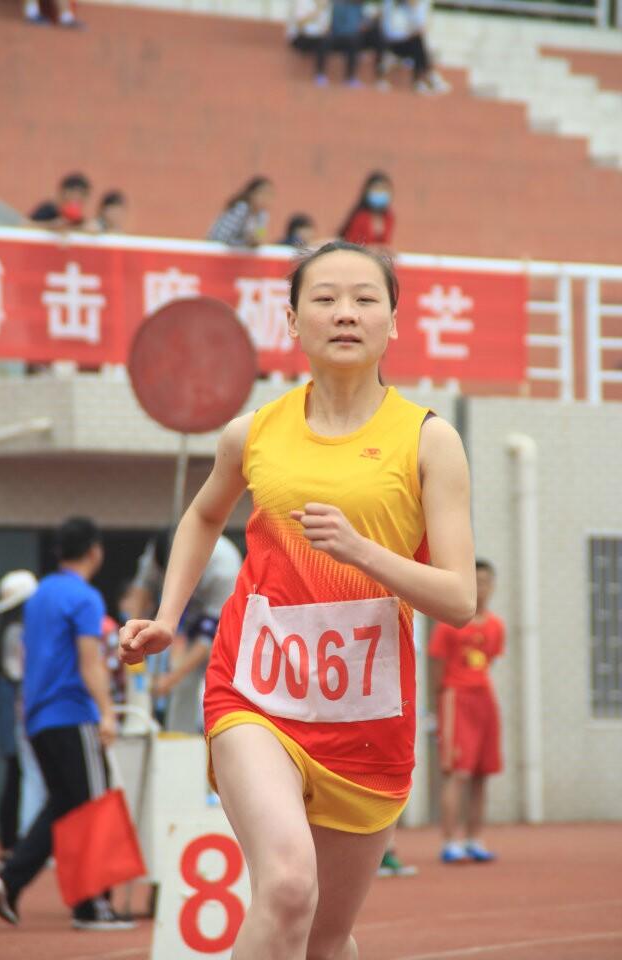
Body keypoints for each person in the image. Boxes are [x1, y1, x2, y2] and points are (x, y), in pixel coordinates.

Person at [120, 239, 476, 959]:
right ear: (291, 320)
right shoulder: (252, 433)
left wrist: (362, 551)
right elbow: (203, 516)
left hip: (367, 720)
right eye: (325, 298)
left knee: (325, 938)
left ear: (393, 323)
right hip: (255, 691)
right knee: (285, 887)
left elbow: (459, 598)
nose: (345, 313)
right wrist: (167, 616)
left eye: (365, 299)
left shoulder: (428, 441)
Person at [0, 518, 133, 931]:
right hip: (71, 713)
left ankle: (9, 879)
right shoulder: (84, 597)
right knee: (93, 805)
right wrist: (106, 712)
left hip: (38, 717)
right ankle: (93, 906)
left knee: (66, 804)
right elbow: (90, 661)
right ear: (94, 551)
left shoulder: (40, 595)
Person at [429, 559, 505, 864]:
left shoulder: (496, 626)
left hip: (484, 699)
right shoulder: (449, 624)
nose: (482, 587)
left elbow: (490, 662)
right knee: (458, 773)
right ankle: (450, 841)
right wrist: (440, 703)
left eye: (487, 581)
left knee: (482, 774)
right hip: (456, 699)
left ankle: (475, 838)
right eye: (477, 581)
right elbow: (437, 666)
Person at [128, 532, 243, 733]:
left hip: (227, 623)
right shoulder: (156, 552)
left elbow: (208, 637)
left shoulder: (224, 567)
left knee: (221, 681)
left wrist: (170, 679)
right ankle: (178, 736)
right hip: (187, 617)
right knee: (181, 686)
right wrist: (131, 634)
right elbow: (142, 588)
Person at [0, 571, 38, 867]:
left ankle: (12, 842)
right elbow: (19, 673)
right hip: (16, 707)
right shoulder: (16, 630)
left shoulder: (8, 628)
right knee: (19, 773)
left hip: (11, 707)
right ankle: (13, 843)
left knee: (16, 773)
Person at [377, 0, 450, 94]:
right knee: (418, 43)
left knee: (418, 45)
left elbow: (419, 26)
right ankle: (427, 77)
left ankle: (422, 80)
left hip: (406, 43)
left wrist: (411, 32)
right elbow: (389, 32)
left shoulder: (407, 8)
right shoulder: (390, 5)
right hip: (392, 44)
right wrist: (408, 35)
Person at [207, 177, 274, 248]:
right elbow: (220, 237)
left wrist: (257, 240)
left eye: (269, 195)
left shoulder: (262, 216)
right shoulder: (241, 209)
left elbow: (260, 235)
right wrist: (245, 243)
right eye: (262, 194)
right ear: (252, 194)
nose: (265, 199)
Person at [339, 171, 395, 248]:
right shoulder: (360, 217)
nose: (379, 193)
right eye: (376, 189)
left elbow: (385, 243)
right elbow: (352, 244)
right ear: (367, 192)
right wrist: (372, 248)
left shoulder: (389, 217)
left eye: (383, 189)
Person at [287, 1, 333, 86]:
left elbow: (326, 28)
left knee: (325, 42)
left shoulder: (326, 6)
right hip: (300, 37)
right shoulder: (303, 2)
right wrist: (318, 10)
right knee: (319, 41)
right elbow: (300, 23)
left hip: (317, 39)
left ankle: (320, 74)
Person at [330, 0, 367, 86]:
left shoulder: (358, 8)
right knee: (353, 41)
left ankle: (351, 77)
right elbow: (336, 26)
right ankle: (350, 77)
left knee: (356, 40)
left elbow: (363, 23)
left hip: (353, 38)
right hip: (339, 37)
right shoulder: (339, 6)